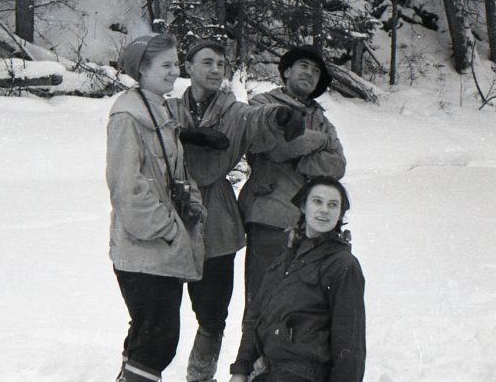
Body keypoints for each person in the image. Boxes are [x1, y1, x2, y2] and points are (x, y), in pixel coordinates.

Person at [166, 38, 306, 382]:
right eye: (208, 62)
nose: (216, 70)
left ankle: (200, 376)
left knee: (212, 313)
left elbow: (256, 119)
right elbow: (148, 130)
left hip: (217, 220)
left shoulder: (233, 110)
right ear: (189, 67)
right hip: (170, 213)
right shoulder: (168, 107)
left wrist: (278, 115)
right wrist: (183, 135)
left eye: (220, 65)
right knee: (159, 307)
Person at [106, 33, 207, 382]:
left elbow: (177, 172)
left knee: (147, 334)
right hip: (145, 247)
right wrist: (167, 229)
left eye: (175, 63)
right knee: (158, 340)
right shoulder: (128, 115)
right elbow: (125, 187)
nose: (174, 71)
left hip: (158, 250)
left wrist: (192, 202)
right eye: (165, 65)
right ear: (143, 69)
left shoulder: (159, 108)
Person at [238, 45, 346, 306]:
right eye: (304, 66)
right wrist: (319, 142)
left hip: (310, 223)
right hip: (270, 216)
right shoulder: (264, 105)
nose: (310, 73)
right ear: (286, 72)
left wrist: (300, 152)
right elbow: (275, 149)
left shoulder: (321, 118)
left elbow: (337, 165)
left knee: (300, 306)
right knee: (262, 302)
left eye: (316, 70)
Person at [230, 176, 366, 382]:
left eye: (333, 205)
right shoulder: (283, 261)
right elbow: (255, 318)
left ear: (340, 215)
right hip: (268, 372)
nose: (324, 210)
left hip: (305, 374)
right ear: (303, 206)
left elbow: (349, 342)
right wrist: (240, 370)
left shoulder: (342, 265)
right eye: (317, 201)